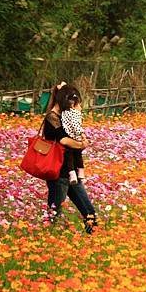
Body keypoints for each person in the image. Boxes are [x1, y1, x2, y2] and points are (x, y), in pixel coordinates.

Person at [43, 82, 98, 234]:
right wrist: (81, 144)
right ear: (65, 100)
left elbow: (76, 133)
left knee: (88, 210)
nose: (75, 107)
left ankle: (95, 238)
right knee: (54, 211)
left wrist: (83, 139)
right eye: (74, 103)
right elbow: (64, 140)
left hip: (71, 170)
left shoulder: (66, 117)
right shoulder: (52, 118)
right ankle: (48, 238)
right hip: (59, 172)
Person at [61, 90, 87, 185]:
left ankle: (74, 174)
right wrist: (82, 134)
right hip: (74, 137)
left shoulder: (64, 112)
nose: (81, 107)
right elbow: (76, 126)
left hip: (70, 136)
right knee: (77, 155)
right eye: (79, 105)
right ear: (73, 105)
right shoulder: (74, 114)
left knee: (70, 157)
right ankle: (80, 173)